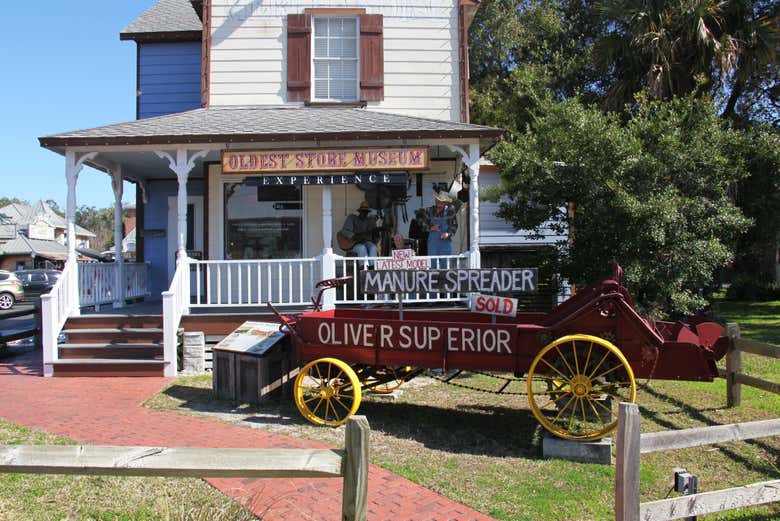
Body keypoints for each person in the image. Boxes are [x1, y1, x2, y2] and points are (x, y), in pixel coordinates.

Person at [418, 191, 458, 267]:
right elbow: (419, 219)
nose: (438, 203)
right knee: (432, 264)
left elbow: (454, 225)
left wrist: (448, 233)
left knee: (445, 264)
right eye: (437, 201)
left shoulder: (450, 211)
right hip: (433, 243)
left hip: (445, 242)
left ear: (445, 203)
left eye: (441, 202)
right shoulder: (429, 211)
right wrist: (430, 228)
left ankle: (444, 279)